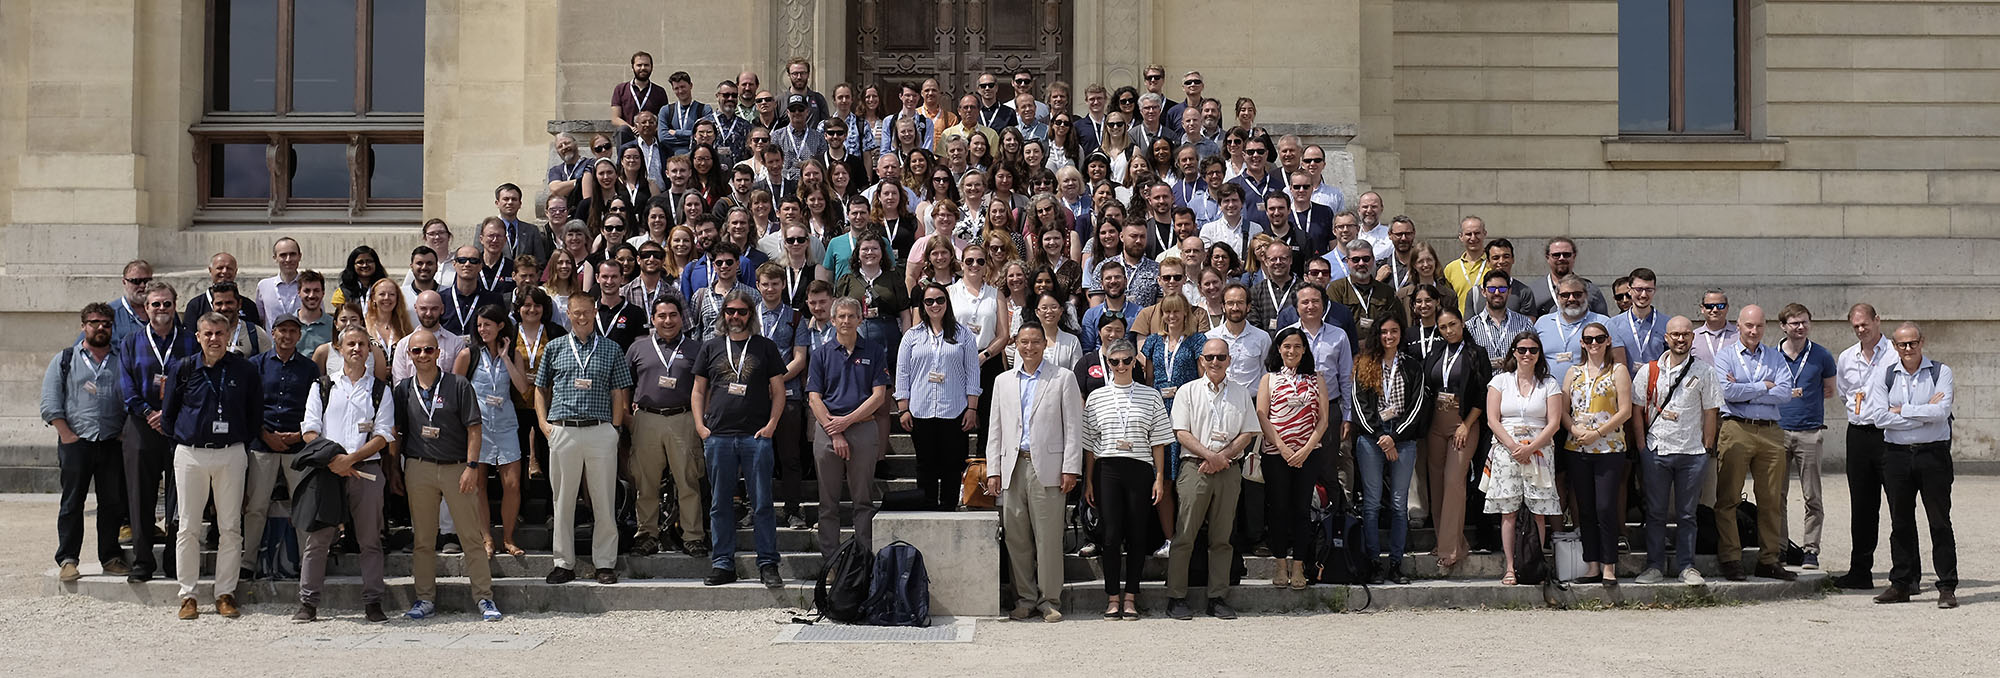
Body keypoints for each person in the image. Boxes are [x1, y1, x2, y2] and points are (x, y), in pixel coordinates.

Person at [392, 328, 502, 622]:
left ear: (439, 353)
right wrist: (394, 470)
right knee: (424, 539)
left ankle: (484, 598)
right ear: (409, 355)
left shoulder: (458, 384)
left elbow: (474, 429)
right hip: (418, 466)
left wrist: (471, 466)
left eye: (429, 350)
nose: (423, 355)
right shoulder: (402, 389)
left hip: (457, 468)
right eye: (417, 351)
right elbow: (397, 432)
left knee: (471, 536)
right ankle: (424, 598)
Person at [162, 312, 263, 619]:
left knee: (231, 527)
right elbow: (168, 415)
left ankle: (225, 593)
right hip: (191, 454)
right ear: (198, 337)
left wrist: (238, 442)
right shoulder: (183, 368)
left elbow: (254, 414)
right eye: (208, 334)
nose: (214, 339)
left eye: (220, 333)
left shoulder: (244, 370)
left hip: (230, 453)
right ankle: (188, 595)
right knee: (188, 527)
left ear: (229, 334)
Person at [984, 320, 1083, 622]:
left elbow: (1073, 427)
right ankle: (1025, 598)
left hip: (1049, 467)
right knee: (1016, 537)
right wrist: (993, 470)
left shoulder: (1063, 378)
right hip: (1012, 466)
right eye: (1024, 342)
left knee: (1049, 537)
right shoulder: (1003, 381)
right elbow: (996, 428)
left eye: (1035, 341)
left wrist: (1071, 468)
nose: (1029, 347)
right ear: (1015, 344)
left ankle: (1049, 600)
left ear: (1044, 344)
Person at [534, 291, 634, 586]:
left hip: (600, 429)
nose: (581, 317)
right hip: (563, 429)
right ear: (568, 314)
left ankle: (605, 563)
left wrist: (615, 429)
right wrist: (543, 424)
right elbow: (540, 388)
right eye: (575, 312)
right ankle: (563, 563)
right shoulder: (553, 348)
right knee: (562, 500)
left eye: (586, 312)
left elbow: (619, 392)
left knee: (604, 499)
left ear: (594, 312)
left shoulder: (612, 348)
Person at [691, 289, 789, 588]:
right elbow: (698, 390)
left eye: (741, 311)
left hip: (755, 436)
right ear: (723, 314)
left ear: (751, 314)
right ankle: (722, 563)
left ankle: (768, 563)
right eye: (730, 311)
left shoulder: (765, 347)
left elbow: (779, 391)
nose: (735, 317)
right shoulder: (710, 347)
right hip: (718, 436)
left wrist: (772, 424)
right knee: (720, 504)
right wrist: (700, 427)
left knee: (762, 503)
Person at [296, 326, 391, 622]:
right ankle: (308, 603)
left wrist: (351, 458)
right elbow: (310, 430)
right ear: (338, 348)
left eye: (362, 344)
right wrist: (335, 459)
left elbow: (383, 434)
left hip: (367, 472)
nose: (356, 349)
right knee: (318, 539)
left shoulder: (380, 389)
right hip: (328, 471)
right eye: (350, 344)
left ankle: (373, 602)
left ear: (368, 350)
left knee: (370, 540)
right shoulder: (323, 386)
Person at [1165, 338, 1259, 620]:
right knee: (1184, 536)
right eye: (1210, 357)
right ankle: (1176, 597)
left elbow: (1248, 432)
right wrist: (1210, 455)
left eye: (1221, 357)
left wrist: (1222, 457)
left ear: (1229, 360)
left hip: (1228, 470)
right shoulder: (1188, 391)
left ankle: (1217, 597)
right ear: (1201, 361)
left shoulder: (1241, 393)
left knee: (1222, 537)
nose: (1215, 362)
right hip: (1195, 468)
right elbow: (1181, 432)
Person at [1079, 338, 1172, 619]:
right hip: (1108, 469)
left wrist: (1158, 478)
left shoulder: (1151, 395)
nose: (1120, 366)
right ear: (1107, 363)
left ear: (1135, 362)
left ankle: (1131, 596)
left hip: (1140, 468)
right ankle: (1112, 597)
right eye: (1114, 361)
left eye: (1126, 360)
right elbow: (1090, 445)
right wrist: (1090, 481)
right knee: (1109, 536)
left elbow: (1158, 442)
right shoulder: (1096, 397)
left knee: (1137, 534)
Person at [1870, 322, 1957, 609]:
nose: (1908, 349)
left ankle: (1946, 586)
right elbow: (1880, 418)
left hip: (1933, 455)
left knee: (1939, 521)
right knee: (1900, 521)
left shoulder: (1940, 372)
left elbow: (1942, 412)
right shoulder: (1885, 375)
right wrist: (1923, 414)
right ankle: (1902, 583)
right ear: (1894, 346)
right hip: (1896, 455)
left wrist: (1903, 410)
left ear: (1922, 342)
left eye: (1913, 343)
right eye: (1902, 344)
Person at [43, 303, 130, 582]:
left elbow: (131, 397)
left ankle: (110, 556)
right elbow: (50, 400)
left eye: (106, 323)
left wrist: (124, 432)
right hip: (76, 442)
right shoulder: (66, 359)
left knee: (112, 503)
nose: (100, 327)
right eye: (94, 322)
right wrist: (66, 434)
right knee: (72, 503)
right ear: (84, 326)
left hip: (111, 442)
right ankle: (68, 559)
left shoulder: (121, 359)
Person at [1631, 316, 1720, 586]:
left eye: (1686, 334)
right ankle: (1654, 566)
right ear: (1666, 338)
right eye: (1675, 334)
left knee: (1687, 513)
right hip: (1657, 449)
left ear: (1693, 338)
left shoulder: (1704, 371)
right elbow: (1637, 410)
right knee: (1656, 512)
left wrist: (1707, 447)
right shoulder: (1649, 370)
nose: (1680, 339)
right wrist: (1641, 446)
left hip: (1692, 452)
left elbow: (1711, 411)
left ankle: (1687, 566)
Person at [1712, 304, 1796, 582]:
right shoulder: (1725, 357)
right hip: (1736, 428)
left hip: (1771, 432)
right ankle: (1731, 557)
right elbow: (1726, 391)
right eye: (1749, 325)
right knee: (1729, 497)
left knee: (1771, 499)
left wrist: (1747, 390)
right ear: (1738, 325)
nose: (1754, 331)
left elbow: (1785, 392)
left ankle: (1769, 559)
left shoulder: (1775, 356)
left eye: (1759, 326)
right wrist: (1764, 386)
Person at [118, 281, 194, 582]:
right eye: (155, 304)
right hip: (141, 424)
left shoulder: (190, 340)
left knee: (181, 495)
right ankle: (143, 561)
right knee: (140, 494)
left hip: (179, 426)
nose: (161, 309)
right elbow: (125, 384)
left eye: (167, 304)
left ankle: (176, 560)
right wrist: (149, 412)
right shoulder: (131, 342)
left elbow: (196, 381)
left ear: (175, 306)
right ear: (145, 308)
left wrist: (170, 415)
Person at [1349, 314, 1432, 584]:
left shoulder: (1412, 366)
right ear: (1377, 334)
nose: (1389, 336)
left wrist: (1393, 437)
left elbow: (1417, 406)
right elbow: (1360, 406)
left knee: (1399, 504)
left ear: (1401, 334)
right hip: (1371, 439)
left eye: (1394, 331)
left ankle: (1396, 564)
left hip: (1403, 438)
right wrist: (1379, 437)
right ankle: (1373, 562)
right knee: (1371, 504)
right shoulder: (1364, 364)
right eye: (1384, 332)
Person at [808, 297, 894, 558]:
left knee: (863, 502)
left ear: (860, 319)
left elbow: (879, 396)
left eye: (851, 316)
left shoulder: (874, 351)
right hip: (827, 430)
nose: (846, 321)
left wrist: (847, 422)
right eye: (841, 316)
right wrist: (836, 430)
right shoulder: (821, 354)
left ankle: (863, 562)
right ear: (832, 321)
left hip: (863, 430)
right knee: (828, 503)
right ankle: (831, 563)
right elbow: (814, 397)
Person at [626, 296, 708, 557]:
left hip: (683, 418)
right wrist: (629, 418)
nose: (668, 321)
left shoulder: (696, 349)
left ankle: (692, 536)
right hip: (646, 418)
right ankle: (646, 534)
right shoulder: (638, 348)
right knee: (646, 482)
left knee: (688, 480)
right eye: (662, 316)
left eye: (673, 315)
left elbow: (706, 388)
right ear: (653, 319)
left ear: (681, 318)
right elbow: (625, 386)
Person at [1482, 331, 1563, 586]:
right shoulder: (1500, 381)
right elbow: (1492, 419)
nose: (1527, 354)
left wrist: (1531, 448)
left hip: (1539, 451)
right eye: (1522, 349)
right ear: (1513, 353)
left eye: (1533, 350)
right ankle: (1510, 567)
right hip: (1507, 449)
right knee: (1509, 512)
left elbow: (1554, 423)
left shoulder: (1549, 383)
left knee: (1539, 512)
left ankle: (1533, 564)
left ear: (1539, 354)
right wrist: (1514, 446)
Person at [239, 313, 315, 580]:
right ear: (273, 333)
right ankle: (248, 561)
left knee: (303, 507)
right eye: (282, 330)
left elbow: (315, 407)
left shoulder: (309, 368)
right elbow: (247, 405)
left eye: (293, 331)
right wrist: (264, 433)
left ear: (299, 335)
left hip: (298, 447)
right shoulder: (256, 365)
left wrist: (299, 434)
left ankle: (309, 564)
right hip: (263, 443)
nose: (287, 335)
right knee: (256, 507)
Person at [453, 305, 531, 557]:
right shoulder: (469, 354)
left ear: (500, 326)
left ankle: (508, 538)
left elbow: (522, 388)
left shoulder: (514, 354)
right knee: (479, 486)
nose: (482, 329)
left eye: (487, 324)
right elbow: (456, 392)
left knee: (512, 484)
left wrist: (506, 357)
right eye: (479, 325)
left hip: (506, 425)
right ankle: (486, 538)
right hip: (478, 427)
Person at [1255, 328, 1331, 590]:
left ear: (1304, 350)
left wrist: (1305, 449)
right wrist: (1283, 448)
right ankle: (1280, 564)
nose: (1292, 351)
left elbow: (1323, 420)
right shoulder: (1269, 379)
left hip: (1308, 454)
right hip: (1276, 454)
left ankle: (1298, 565)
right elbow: (1262, 415)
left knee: (1301, 511)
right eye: (1287, 346)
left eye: (1297, 346)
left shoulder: (1316, 379)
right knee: (1278, 509)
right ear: (1279, 349)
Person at [895, 284, 982, 511]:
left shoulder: (964, 335)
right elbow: (903, 373)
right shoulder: (911, 336)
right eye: (929, 301)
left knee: (953, 465)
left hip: (954, 409)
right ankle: (928, 507)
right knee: (925, 465)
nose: (935, 305)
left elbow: (973, 373)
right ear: (922, 305)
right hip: (921, 409)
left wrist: (972, 409)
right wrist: (903, 408)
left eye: (940, 300)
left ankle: (949, 508)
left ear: (947, 302)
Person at [1560, 322, 1632, 585]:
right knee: (1585, 508)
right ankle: (1591, 565)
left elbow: (1625, 411)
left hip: (1608, 447)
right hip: (1577, 446)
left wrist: (1598, 433)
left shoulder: (1618, 370)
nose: (1594, 344)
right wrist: (1574, 429)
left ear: (1608, 340)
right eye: (1589, 339)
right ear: (1581, 343)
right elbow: (1563, 409)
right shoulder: (1573, 372)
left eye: (1599, 339)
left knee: (1605, 507)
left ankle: (1609, 565)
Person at [1421, 307, 1489, 574]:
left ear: (1462, 323)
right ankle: (1446, 541)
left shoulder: (1476, 353)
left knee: (1454, 480)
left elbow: (1483, 393)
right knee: (1436, 483)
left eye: (1452, 325)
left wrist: (1467, 424)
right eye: (1443, 327)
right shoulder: (1436, 352)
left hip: (1463, 421)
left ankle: (1451, 551)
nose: (1449, 331)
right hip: (1435, 421)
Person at [1832, 303, 1894, 590]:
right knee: (1862, 505)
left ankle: (1907, 572)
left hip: (1889, 435)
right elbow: (1844, 392)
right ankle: (1860, 571)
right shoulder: (1846, 357)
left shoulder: (1895, 353)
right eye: (1855, 326)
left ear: (1877, 320)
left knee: (1899, 504)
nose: (1861, 329)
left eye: (1865, 323)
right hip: (1858, 434)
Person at [1775, 303, 1837, 570]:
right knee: (1776, 495)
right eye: (1794, 323)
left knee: (1812, 495)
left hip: (1810, 432)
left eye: (1804, 322)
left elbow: (1829, 390)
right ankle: (1780, 547)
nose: (1800, 327)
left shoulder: (1821, 355)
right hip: (1777, 431)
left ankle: (1811, 549)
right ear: (1783, 326)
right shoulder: (1771, 355)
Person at [754, 262, 813, 529]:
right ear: (758, 286)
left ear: (783, 286)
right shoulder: (748, 315)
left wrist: (774, 382)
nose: (770, 288)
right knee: (756, 457)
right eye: (765, 284)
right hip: (753, 396)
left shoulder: (796, 316)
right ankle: (756, 509)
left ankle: (793, 510)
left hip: (788, 394)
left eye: (775, 284)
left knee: (790, 456)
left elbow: (799, 358)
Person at [1535, 274, 1623, 378]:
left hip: (1591, 392)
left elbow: (1619, 363)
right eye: (1565, 295)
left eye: (1577, 294)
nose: (1571, 299)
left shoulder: (1603, 323)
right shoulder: (1542, 323)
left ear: (1586, 295)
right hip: (1549, 392)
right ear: (1558, 297)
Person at [1327, 239, 1404, 342]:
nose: (1361, 263)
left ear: (1373, 260)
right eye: (1355, 260)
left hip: (1380, 350)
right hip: (1348, 352)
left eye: (1366, 259)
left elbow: (1397, 324)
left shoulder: (1386, 292)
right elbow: (1333, 327)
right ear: (1347, 261)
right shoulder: (1336, 289)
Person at [1523, 237, 1609, 317]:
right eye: (1556, 255)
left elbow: (1602, 324)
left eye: (1566, 254)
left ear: (1574, 256)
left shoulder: (1591, 290)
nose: (1561, 258)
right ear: (1547, 257)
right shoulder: (1533, 291)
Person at [182, 252, 266, 329]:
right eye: (220, 268)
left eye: (229, 268)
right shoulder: (195, 306)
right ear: (210, 270)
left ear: (235, 271)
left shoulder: (249, 306)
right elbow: (189, 338)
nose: (225, 271)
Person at [1608, 268, 1666, 371]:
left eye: (1649, 290)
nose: (1643, 295)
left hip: (1656, 384)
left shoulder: (1667, 323)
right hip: (1625, 384)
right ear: (1629, 290)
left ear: (1654, 291)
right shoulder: (1613, 324)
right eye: (1638, 289)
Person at [257, 238, 304, 327]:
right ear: (275, 258)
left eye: (292, 254)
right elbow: (261, 319)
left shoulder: (310, 287)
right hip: (271, 340)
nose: (288, 259)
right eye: (283, 255)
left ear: (299, 256)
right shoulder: (263, 286)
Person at [1691, 288, 1738, 366]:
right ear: (1702, 309)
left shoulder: (1739, 336)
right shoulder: (1693, 337)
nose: (1715, 310)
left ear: (1727, 308)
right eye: (1710, 306)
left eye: (1720, 306)